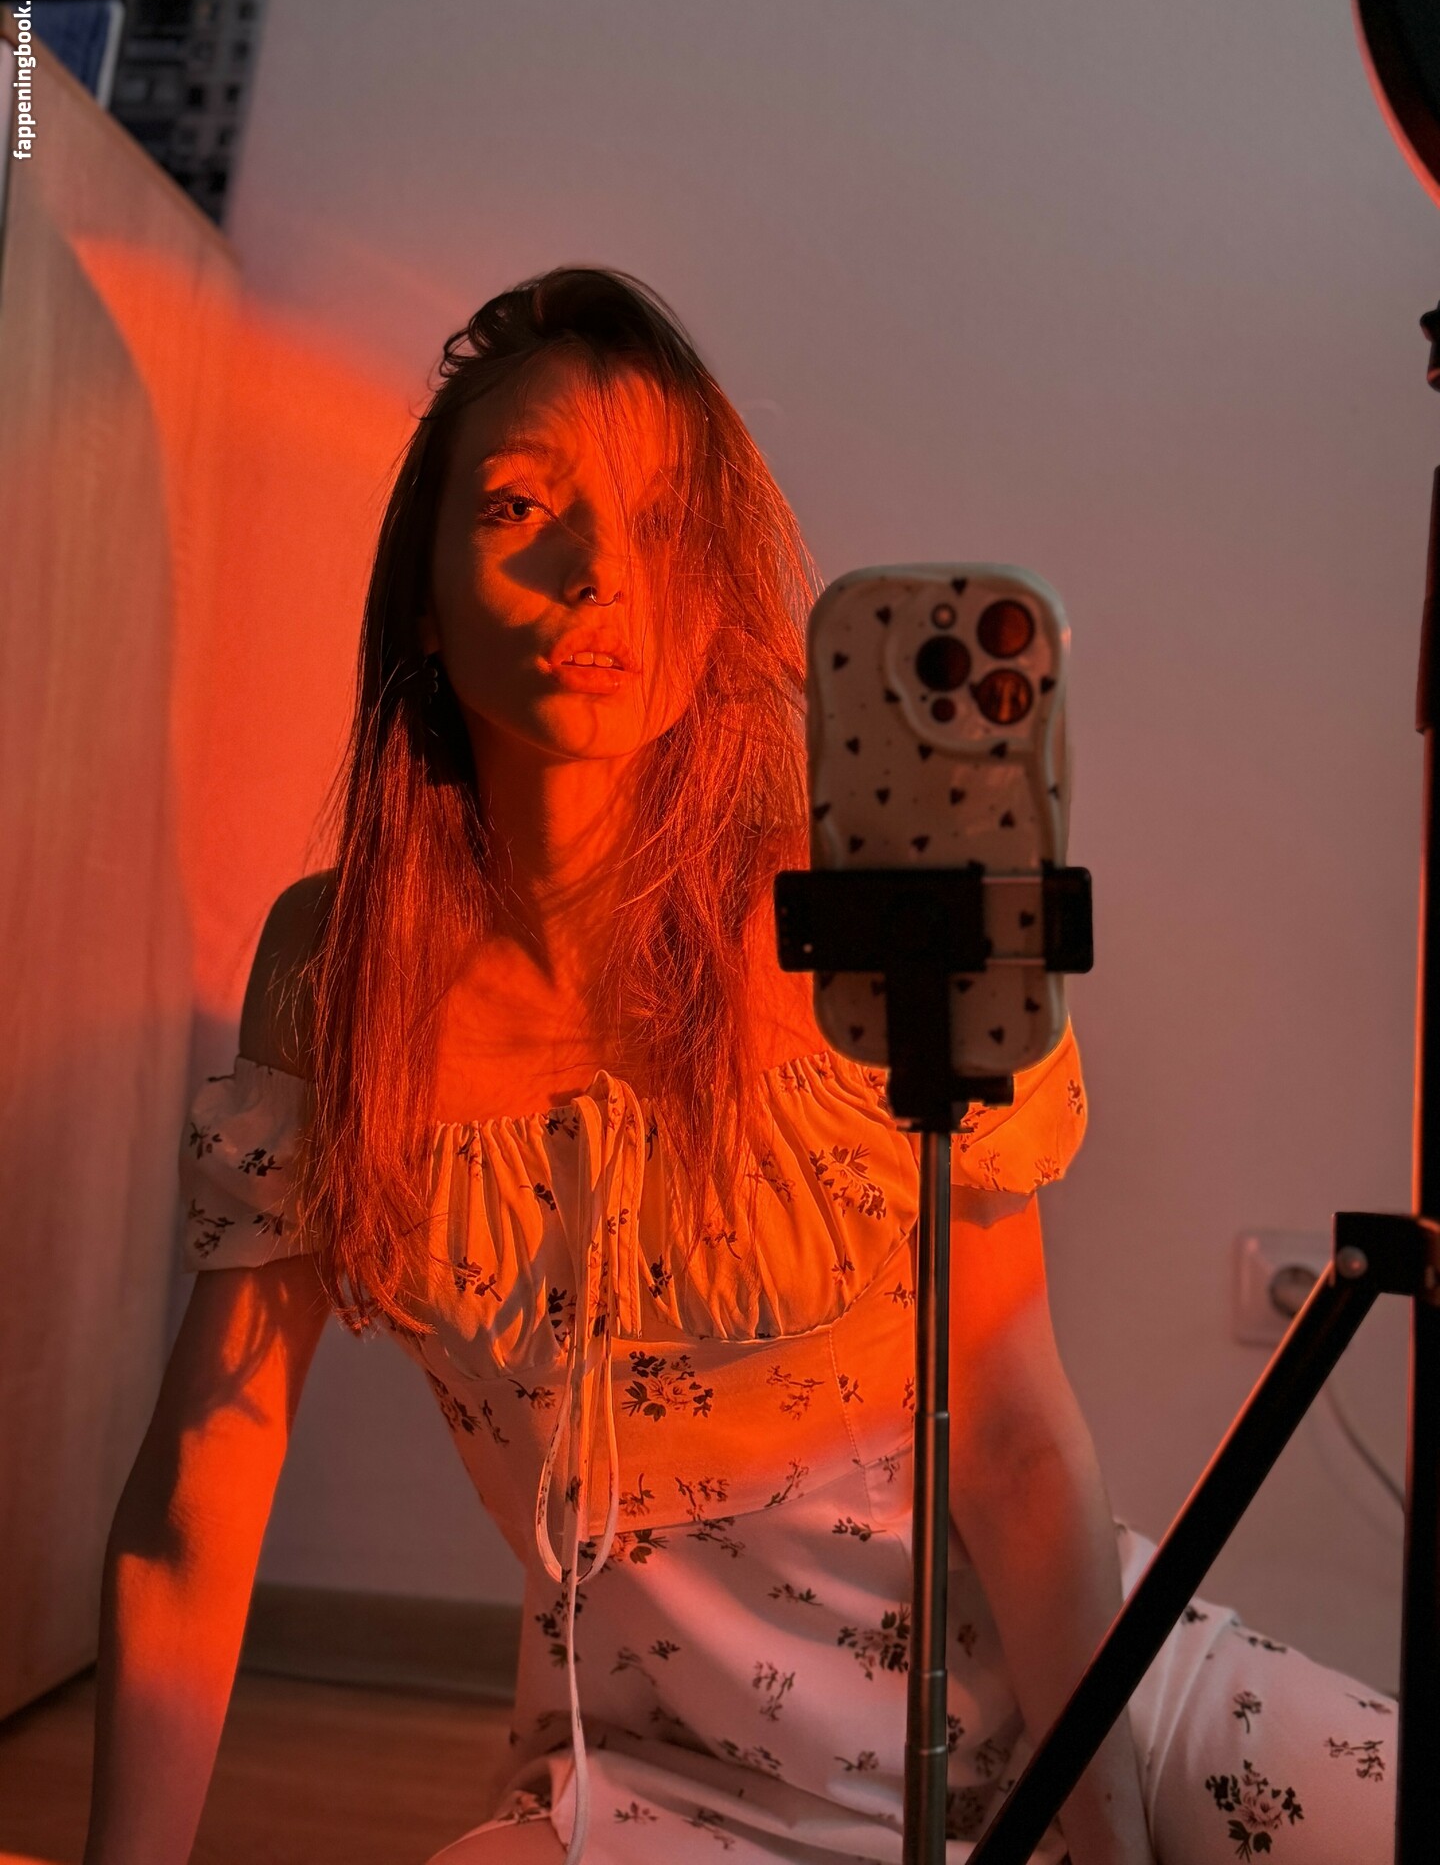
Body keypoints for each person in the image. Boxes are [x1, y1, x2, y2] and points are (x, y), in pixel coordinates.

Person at [84, 267, 1397, 1865]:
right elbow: (205, 1478)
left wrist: (1106, 1837)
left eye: (658, 526)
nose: (597, 574)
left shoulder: (856, 926)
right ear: (421, 597)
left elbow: (1012, 1438)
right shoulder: (337, 969)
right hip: (665, 1784)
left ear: (712, 607)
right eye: (519, 507)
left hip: (1085, 1695)